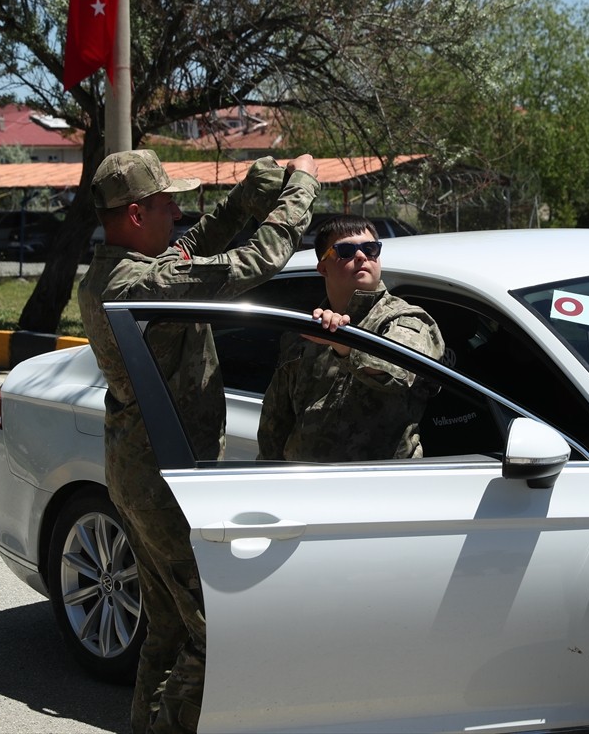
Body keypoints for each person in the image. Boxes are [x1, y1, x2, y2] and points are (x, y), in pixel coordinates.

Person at [78, 149, 318, 734]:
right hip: (164, 479)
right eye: (167, 205)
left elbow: (196, 247)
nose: (178, 213)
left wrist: (252, 191)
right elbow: (245, 264)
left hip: (143, 469)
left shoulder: (122, 269)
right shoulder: (137, 283)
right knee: (216, 628)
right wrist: (300, 193)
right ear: (135, 215)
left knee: (168, 625)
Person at [257, 214, 444, 462]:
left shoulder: (406, 320)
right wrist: (267, 472)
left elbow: (395, 372)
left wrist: (343, 345)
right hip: (304, 483)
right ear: (323, 267)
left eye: (370, 248)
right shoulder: (303, 332)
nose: (361, 256)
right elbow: (276, 419)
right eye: (345, 250)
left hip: (382, 483)